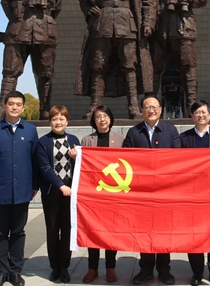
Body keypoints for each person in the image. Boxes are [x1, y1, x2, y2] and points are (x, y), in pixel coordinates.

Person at [76, 0, 156, 118]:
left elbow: (150, 1)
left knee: (129, 65)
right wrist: (89, 9)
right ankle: (95, 107)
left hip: (127, 24)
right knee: (98, 65)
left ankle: (134, 107)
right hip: (101, 24)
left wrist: (148, 24)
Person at [0, 0, 63, 120]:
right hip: (19, 30)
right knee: (10, 71)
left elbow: (56, 9)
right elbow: (5, 1)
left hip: (44, 31)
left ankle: (45, 109)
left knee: (45, 73)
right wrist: (16, 19)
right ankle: (2, 107)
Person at [143, 0, 208, 112]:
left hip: (183, 24)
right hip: (159, 24)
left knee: (188, 66)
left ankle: (192, 107)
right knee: (153, 68)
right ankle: (149, 106)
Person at [0, 91, 39, 286]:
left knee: (18, 232)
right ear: (5, 106)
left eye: (18, 104)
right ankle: (1, 271)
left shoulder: (30, 130)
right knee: (0, 232)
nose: (14, 107)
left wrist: (35, 185)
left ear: (23, 107)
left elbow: (35, 160)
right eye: (11, 103)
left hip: (22, 191)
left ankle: (15, 271)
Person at [123, 96, 180, 285]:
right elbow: (126, 161)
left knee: (164, 230)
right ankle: (146, 268)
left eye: (154, 107)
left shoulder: (171, 131)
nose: (151, 110)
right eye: (147, 107)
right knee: (144, 230)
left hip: (165, 191)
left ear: (161, 109)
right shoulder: (133, 132)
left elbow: (178, 158)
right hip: (142, 192)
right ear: (142, 110)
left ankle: (164, 269)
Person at [34, 105, 80, 283]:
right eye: (55, 119)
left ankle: (65, 267)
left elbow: (82, 165)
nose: (58, 122)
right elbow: (44, 168)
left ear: (67, 121)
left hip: (70, 192)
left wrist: (77, 158)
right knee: (53, 229)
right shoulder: (43, 142)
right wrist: (60, 185)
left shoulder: (74, 140)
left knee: (68, 229)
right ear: (50, 122)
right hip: (52, 191)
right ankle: (55, 267)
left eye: (61, 119)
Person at [180, 100, 210, 286]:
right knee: (194, 235)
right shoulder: (184, 138)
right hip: (192, 195)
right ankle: (197, 272)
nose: (201, 115)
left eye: (204, 112)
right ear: (192, 116)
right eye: (197, 112)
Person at [80, 105, 123, 284]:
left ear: (111, 118)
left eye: (105, 116)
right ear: (94, 120)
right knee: (92, 231)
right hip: (92, 194)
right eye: (98, 116)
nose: (102, 119)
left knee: (110, 232)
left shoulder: (120, 140)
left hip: (113, 194)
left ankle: (110, 267)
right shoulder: (86, 140)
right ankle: (92, 267)